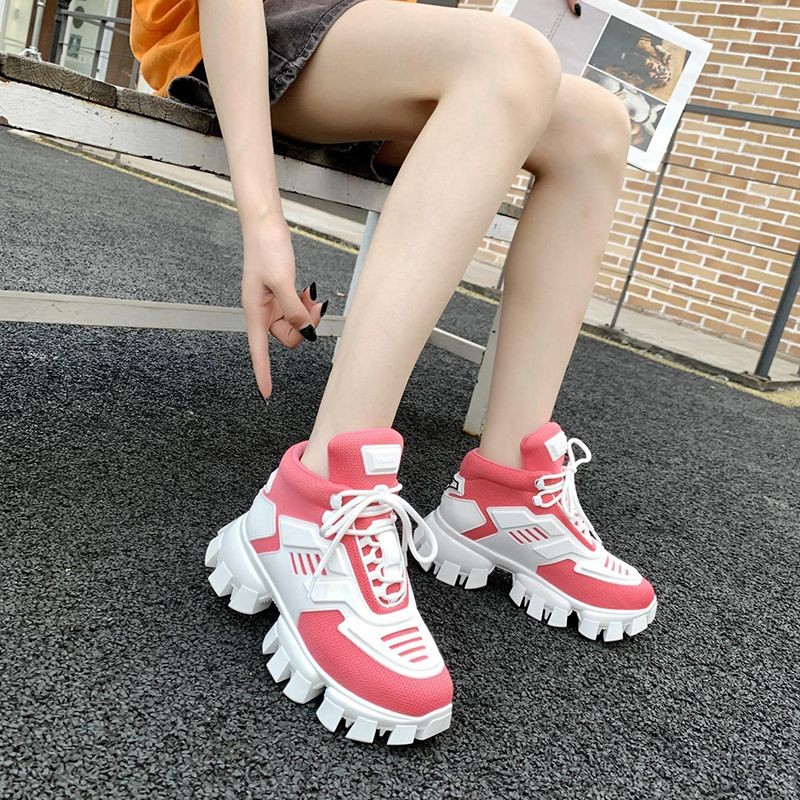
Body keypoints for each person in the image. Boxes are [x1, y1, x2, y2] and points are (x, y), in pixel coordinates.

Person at [130, 0, 657, 745]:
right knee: (509, 58)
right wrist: (264, 221)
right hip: (237, 35)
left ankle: (506, 492)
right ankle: (313, 502)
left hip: (364, 48)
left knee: (597, 124)